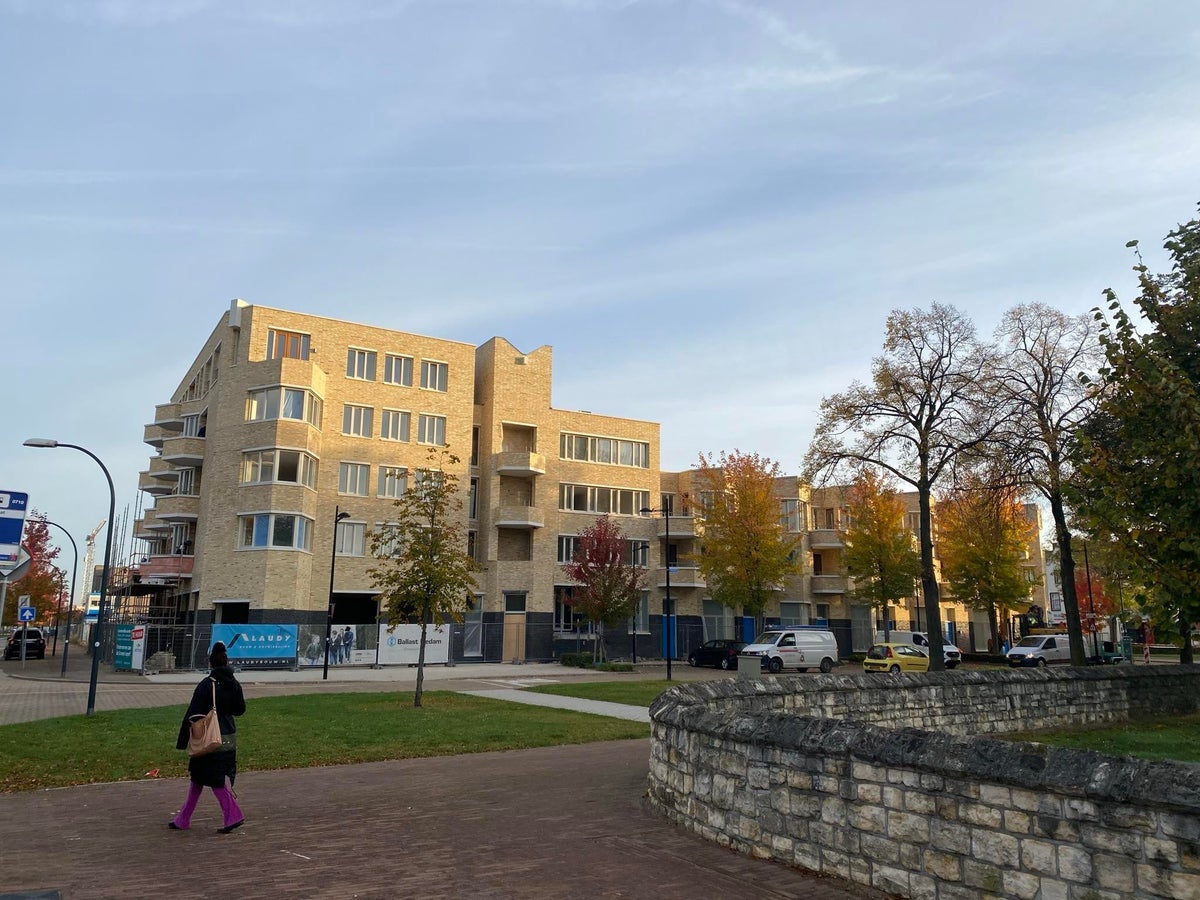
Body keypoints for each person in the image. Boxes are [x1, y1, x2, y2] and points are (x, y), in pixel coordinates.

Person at [170, 641, 246, 833]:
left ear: (210, 663)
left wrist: (182, 741)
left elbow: (192, 713)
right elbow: (240, 710)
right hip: (227, 737)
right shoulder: (234, 684)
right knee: (199, 778)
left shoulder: (206, 685)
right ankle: (183, 818)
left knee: (213, 779)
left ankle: (233, 814)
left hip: (209, 739)